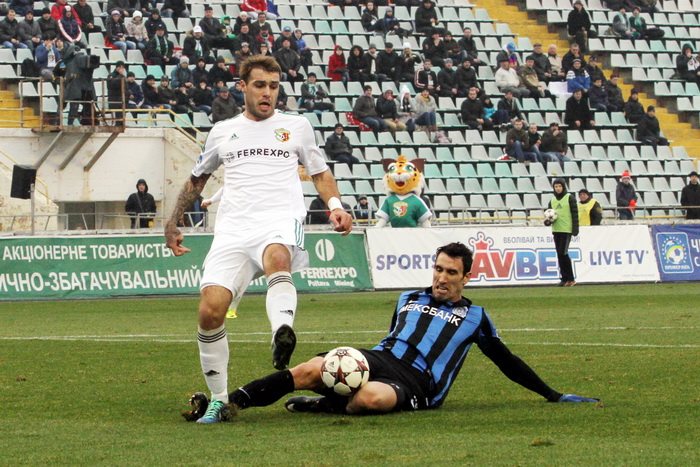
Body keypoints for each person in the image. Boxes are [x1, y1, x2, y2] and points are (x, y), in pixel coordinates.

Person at [182, 242, 599, 422]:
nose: (441, 278)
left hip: (418, 381)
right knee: (310, 368)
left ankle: (323, 405)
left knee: (371, 398)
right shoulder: (407, 298)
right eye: (438, 269)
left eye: (451, 273)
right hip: (381, 356)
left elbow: (507, 361)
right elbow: (391, 338)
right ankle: (227, 403)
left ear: (466, 277)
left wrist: (552, 394)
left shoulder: (476, 317)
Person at [164, 55, 353, 424]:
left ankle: (282, 330)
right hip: (233, 229)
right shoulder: (223, 131)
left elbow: (320, 173)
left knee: (278, 258)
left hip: (279, 219)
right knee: (210, 311)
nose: (268, 93)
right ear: (243, 87)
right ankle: (219, 400)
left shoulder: (296, 126)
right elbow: (197, 179)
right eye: (260, 85)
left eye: (274, 86)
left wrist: (336, 206)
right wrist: (172, 222)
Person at [546, 179, 579, 287]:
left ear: (563, 187)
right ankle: (564, 279)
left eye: (559, 186)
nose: (558, 188)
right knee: (560, 254)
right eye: (556, 186)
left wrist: (575, 228)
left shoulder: (570, 198)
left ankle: (571, 279)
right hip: (556, 230)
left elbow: (575, 213)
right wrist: (547, 221)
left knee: (563, 253)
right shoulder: (552, 200)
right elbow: (549, 216)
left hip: (566, 229)